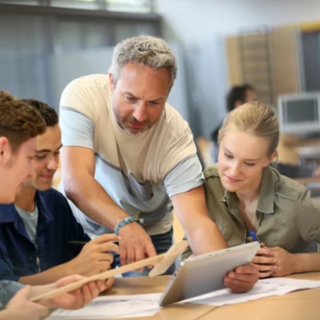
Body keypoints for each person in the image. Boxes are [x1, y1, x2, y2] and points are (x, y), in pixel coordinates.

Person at [58, 35, 258, 291]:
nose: (140, 114)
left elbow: (197, 224)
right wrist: (124, 224)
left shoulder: (176, 138)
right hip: (83, 229)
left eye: (154, 103)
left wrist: (230, 272)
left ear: (168, 94)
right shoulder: (82, 96)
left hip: (149, 234)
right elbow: (76, 181)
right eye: (130, 98)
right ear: (111, 82)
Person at [0, 91, 112, 320]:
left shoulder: (54, 202)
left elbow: (4, 291)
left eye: (56, 153)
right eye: (33, 157)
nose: (50, 165)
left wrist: (51, 293)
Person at [184, 101, 320, 279]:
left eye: (249, 163)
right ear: (219, 139)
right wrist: (222, 265)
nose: (233, 171)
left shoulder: (294, 200)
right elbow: (186, 256)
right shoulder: (208, 185)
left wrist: (296, 263)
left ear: (269, 159)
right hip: (230, 301)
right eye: (228, 155)